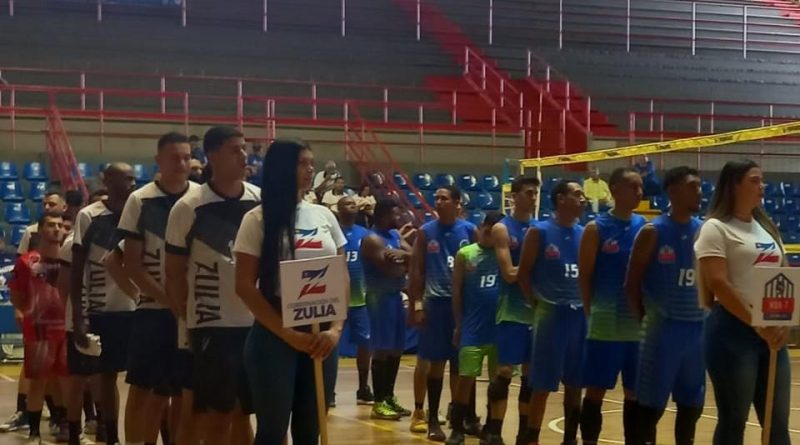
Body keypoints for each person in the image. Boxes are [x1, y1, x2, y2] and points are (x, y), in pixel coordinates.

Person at [233, 139, 344, 445]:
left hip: (322, 336)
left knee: (310, 431)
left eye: (312, 163)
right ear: (282, 168)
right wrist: (288, 334)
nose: (310, 170)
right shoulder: (257, 219)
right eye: (302, 163)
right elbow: (244, 284)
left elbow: (342, 276)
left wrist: (335, 330)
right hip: (275, 336)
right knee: (272, 431)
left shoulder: (324, 216)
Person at [164, 126, 258, 445]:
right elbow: (174, 273)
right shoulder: (188, 207)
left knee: (245, 412)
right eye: (235, 149)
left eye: (244, 148)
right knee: (215, 414)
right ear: (213, 156)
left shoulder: (259, 201)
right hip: (212, 327)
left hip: (257, 323)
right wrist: (188, 319)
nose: (244, 156)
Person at [694, 159, 790, 445]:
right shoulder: (716, 228)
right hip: (732, 332)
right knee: (734, 420)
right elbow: (719, 283)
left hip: (771, 330)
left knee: (777, 423)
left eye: (762, 180)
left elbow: (783, 276)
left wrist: (782, 324)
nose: (762, 186)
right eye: (754, 180)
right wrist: (757, 324)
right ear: (734, 185)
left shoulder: (767, 227)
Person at [118, 132, 198, 445]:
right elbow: (131, 264)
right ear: (158, 160)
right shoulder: (140, 200)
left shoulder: (201, 198)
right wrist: (171, 301)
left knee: (182, 392)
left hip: (195, 313)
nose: (182, 163)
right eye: (174, 157)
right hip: (154, 310)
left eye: (186, 157)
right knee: (143, 389)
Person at [625, 166, 705, 445]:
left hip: (697, 331)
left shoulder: (704, 231)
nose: (700, 192)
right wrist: (646, 321)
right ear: (673, 191)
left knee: (692, 405)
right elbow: (631, 284)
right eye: (693, 186)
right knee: (650, 408)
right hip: (662, 331)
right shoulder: (653, 231)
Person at [578, 167, 646, 445]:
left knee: (635, 393)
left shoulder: (645, 226)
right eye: (633, 186)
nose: (640, 192)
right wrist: (590, 311)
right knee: (595, 391)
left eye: (641, 186)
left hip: (637, 327)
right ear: (615, 189)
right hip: (605, 325)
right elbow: (585, 276)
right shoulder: (596, 228)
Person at [70, 163, 137, 445]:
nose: (132, 183)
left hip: (139, 308)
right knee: (107, 377)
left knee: (146, 381)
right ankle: (111, 436)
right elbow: (76, 271)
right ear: (107, 180)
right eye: (126, 178)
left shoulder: (138, 213)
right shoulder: (89, 216)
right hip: (103, 310)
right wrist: (78, 318)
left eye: (134, 178)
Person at [517, 180, 586, 445]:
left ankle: (570, 439)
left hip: (579, 316)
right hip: (551, 315)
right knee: (542, 385)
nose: (582, 199)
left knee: (576, 384)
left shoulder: (585, 233)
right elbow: (523, 274)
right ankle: (532, 438)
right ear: (561, 199)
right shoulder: (539, 232)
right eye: (577, 194)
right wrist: (537, 304)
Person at [408, 185, 478, 441]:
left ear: (457, 202)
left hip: (462, 306)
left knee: (461, 365)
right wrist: (417, 305)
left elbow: (478, 265)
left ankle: (459, 420)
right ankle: (432, 420)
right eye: (436, 198)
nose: (438, 202)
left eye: (444, 198)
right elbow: (416, 270)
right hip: (436, 304)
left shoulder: (469, 230)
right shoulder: (426, 232)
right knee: (435, 364)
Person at [485, 176, 539, 445]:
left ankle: (524, 435)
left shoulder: (539, 228)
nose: (533, 197)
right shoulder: (502, 228)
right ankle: (494, 431)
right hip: (511, 310)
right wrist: (535, 270)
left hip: (536, 311)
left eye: (535, 193)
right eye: (528, 192)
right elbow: (508, 273)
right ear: (514, 196)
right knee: (504, 371)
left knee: (531, 376)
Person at [9, 212, 68, 445]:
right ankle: (34, 433)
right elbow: (17, 295)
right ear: (40, 229)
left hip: (66, 328)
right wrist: (32, 314)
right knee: (38, 383)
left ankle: (66, 426)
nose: (57, 229)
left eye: (60, 225)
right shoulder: (27, 262)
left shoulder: (70, 259)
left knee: (66, 382)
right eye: (51, 225)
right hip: (40, 330)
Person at [446, 211, 504, 445]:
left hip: (500, 328)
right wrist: (458, 324)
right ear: (481, 228)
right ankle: (457, 427)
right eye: (487, 229)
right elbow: (457, 291)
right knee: (465, 379)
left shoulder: (505, 254)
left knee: (498, 382)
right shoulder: (465, 254)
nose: (489, 234)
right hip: (473, 327)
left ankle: (492, 428)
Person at [362, 198, 412, 420]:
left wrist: (404, 257)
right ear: (383, 215)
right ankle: (379, 401)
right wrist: (405, 261)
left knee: (396, 348)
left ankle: (389, 396)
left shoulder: (394, 235)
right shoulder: (372, 239)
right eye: (395, 213)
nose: (399, 217)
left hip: (395, 295)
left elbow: (415, 258)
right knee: (382, 349)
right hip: (379, 297)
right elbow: (390, 270)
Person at [336, 196, 374, 406]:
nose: (351, 206)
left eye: (353, 204)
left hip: (360, 299)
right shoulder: (333, 231)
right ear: (338, 209)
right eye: (346, 204)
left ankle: (363, 387)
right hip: (337, 299)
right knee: (332, 344)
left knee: (365, 344)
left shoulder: (364, 234)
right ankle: (329, 390)